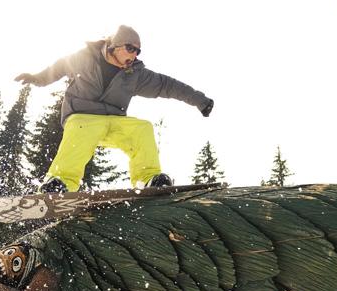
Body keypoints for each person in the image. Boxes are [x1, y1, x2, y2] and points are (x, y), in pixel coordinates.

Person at [15, 25, 215, 193]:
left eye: (138, 51)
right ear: (114, 46)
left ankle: (147, 179)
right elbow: (58, 67)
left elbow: (168, 85)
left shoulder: (135, 73)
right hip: (82, 116)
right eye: (130, 48)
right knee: (80, 128)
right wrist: (37, 78)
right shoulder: (84, 58)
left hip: (113, 120)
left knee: (142, 128)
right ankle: (60, 182)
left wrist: (200, 100)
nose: (134, 54)